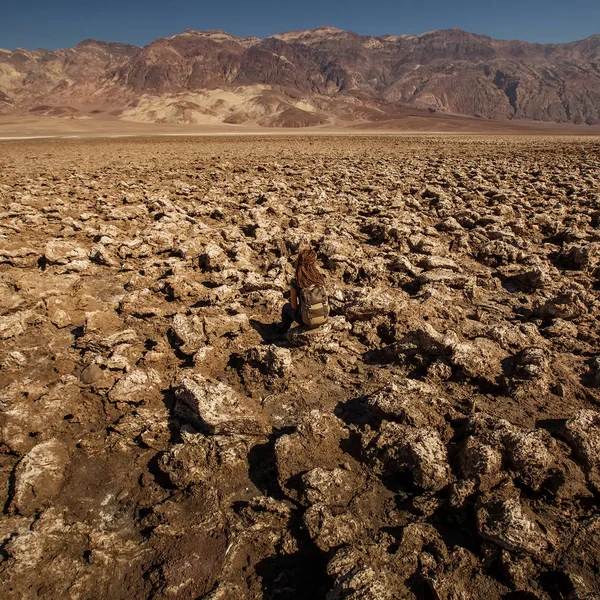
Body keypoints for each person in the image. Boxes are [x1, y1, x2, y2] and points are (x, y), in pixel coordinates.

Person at [280, 248, 330, 334]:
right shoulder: (319, 278)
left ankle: (283, 331)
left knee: (286, 308)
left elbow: (294, 306)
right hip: (324, 317)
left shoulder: (296, 281)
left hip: (307, 320)